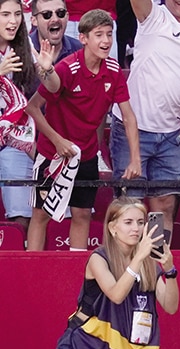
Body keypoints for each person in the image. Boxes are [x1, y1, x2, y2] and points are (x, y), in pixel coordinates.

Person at [25, 9, 142, 252]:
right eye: (99, 34)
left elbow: (129, 117)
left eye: (109, 34)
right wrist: (57, 141)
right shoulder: (68, 67)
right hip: (53, 155)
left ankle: (78, 275)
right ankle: (32, 268)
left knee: (81, 215)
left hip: (86, 155)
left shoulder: (113, 70)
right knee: (41, 215)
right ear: (83, 38)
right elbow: (33, 107)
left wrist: (135, 158)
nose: (106, 41)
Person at [44, 197, 178, 349]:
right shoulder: (99, 258)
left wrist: (169, 270)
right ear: (112, 227)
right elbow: (116, 295)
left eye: (140, 222)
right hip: (84, 345)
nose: (136, 228)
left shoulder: (148, 265)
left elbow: (171, 306)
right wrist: (138, 258)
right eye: (128, 222)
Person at [109, 0, 180, 238]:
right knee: (129, 206)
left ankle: (158, 267)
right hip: (132, 130)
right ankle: (126, 271)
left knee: (165, 205)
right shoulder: (154, 16)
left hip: (171, 134)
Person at [0, 0, 37, 234]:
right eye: (5, 14)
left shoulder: (25, 49)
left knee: (22, 216)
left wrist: (48, 69)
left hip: (14, 137)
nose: (13, 21)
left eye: (16, 14)